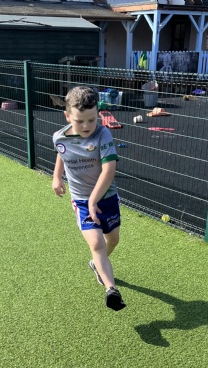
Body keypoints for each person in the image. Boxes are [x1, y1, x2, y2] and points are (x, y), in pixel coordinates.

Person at [52, 86, 126, 311]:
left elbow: (109, 170)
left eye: (91, 120)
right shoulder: (59, 137)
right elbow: (62, 152)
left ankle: (96, 264)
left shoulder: (103, 134)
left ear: (98, 115)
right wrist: (56, 177)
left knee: (112, 240)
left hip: (106, 197)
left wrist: (95, 199)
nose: (86, 126)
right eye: (79, 121)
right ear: (67, 116)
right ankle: (111, 290)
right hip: (82, 200)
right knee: (96, 243)